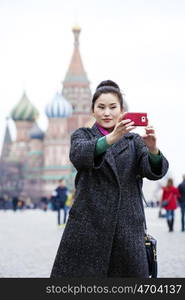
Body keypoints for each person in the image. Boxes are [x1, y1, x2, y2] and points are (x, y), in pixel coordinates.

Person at [50, 79, 169, 278]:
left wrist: (153, 150)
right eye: (101, 107)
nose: (107, 113)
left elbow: (153, 171)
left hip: (127, 230)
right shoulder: (83, 135)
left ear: (122, 110)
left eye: (113, 107)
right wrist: (110, 139)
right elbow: (78, 155)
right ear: (93, 110)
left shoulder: (134, 141)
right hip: (88, 227)